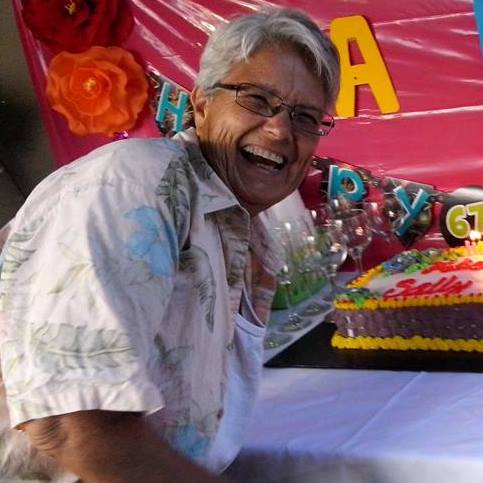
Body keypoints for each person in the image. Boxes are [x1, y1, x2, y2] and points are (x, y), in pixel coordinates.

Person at [0, 6, 340, 482]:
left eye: (305, 117)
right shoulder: (135, 183)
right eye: (257, 100)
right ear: (202, 104)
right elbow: (66, 424)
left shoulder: (246, 234)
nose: (280, 130)